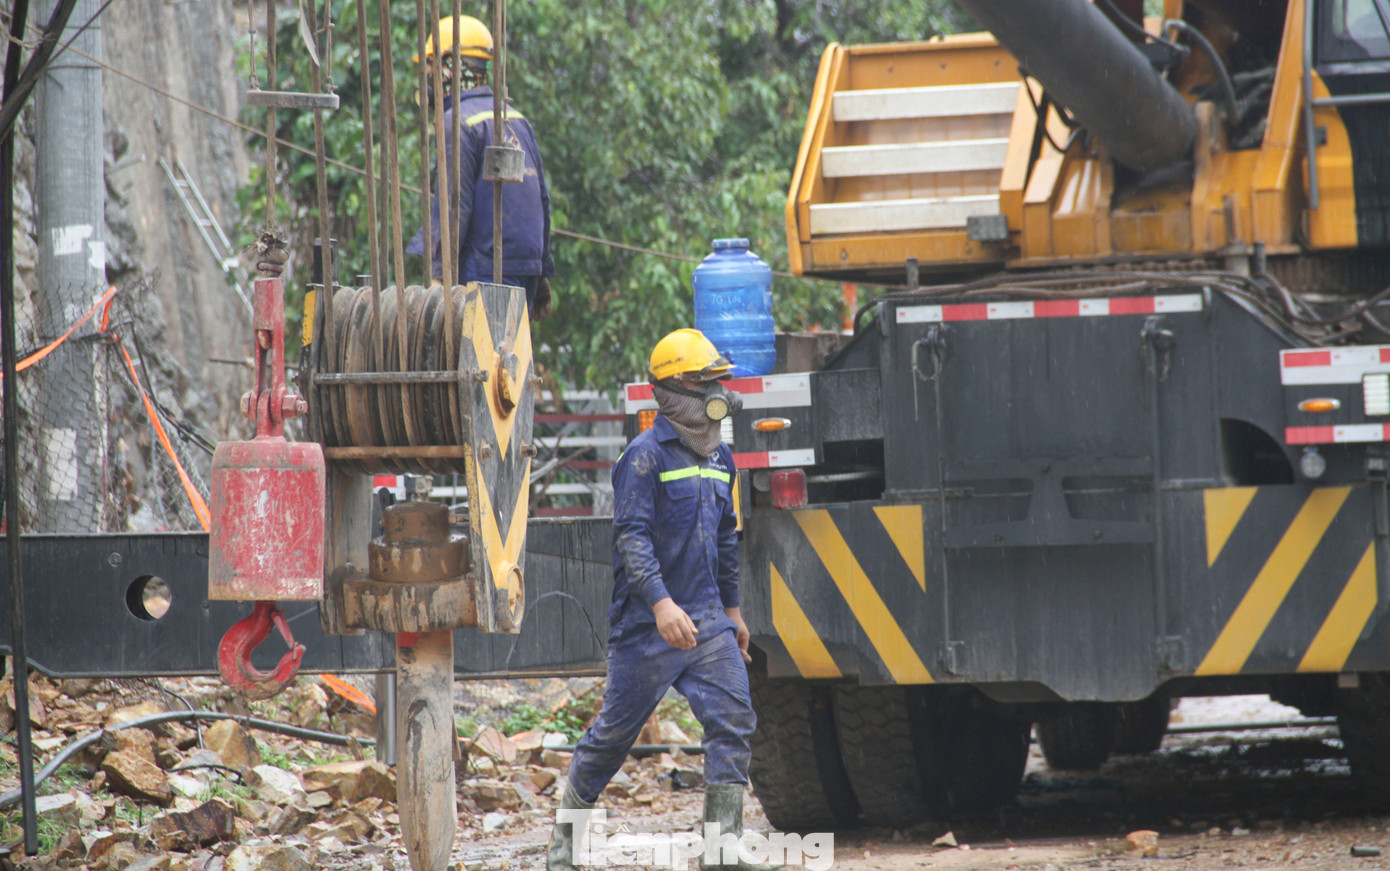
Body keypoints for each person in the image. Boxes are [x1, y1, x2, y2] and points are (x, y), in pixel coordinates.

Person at [546, 329, 777, 871]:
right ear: (674, 391)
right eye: (706, 382)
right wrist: (660, 604)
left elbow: (725, 537)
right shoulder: (643, 458)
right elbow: (632, 538)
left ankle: (722, 849)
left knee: (734, 717)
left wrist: (733, 612)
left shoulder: (721, 457)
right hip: (648, 628)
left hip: (707, 622)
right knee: (612, 738)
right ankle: (562, 848)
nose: (719, 393)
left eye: (719, 382)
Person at [406, 15, 555, 318]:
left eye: (431, 66)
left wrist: (438, 277)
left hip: (485, 267)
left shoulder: (457, 122)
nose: (428, 77)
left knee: (478, 349)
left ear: (449, 67)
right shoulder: (516, 119)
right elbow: (542, 200)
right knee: (508, 347)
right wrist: (541, 274)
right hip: (525, 264)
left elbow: (454, 206)